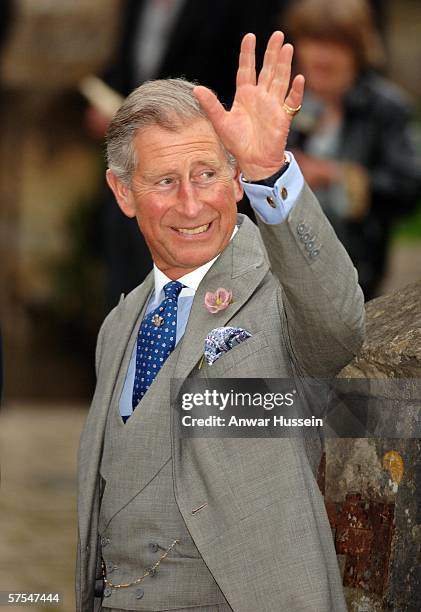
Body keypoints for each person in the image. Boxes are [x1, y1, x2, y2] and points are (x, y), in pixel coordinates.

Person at [77, 32, 365, 611]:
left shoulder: (280, 290)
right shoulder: (118, 325)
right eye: (164, 181)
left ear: (235, 180)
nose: (191, 204)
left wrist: (270, 172)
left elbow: (337, 323)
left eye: (208, 174)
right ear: (124, 192)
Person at [86, 0, 287, 308]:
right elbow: (130, 66)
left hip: (207, 159)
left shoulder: (238, 10)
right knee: (129, 290)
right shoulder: (136, 5)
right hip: (136, 172)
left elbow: (243, 86)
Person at [284, 0, 421, 299]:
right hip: (280, 269)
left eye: (335, 45)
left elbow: (407, 188)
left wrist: (338, 177)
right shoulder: (276, 99)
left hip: (356, 273)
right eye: (313, 42)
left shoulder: (386, 108)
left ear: (358, 50)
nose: (322, 57)